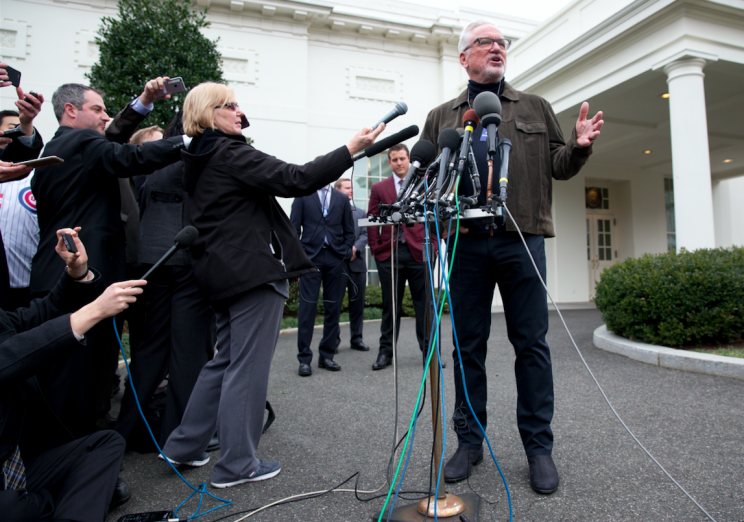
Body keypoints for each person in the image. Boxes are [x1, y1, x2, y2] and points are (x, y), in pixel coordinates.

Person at [160, 82, 383, 488]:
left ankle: (183, 446)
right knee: (245, 369)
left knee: (223, 362)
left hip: (221, 272)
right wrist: (349, 150)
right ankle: (237, 464)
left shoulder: (198, 157)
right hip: (252, 273)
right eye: (232, 106)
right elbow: (296, 179)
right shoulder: (229, 152)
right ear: (212, 114)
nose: (240, 112)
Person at [419, 20, 603, 494]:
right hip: (465, 244)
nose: (497, 48)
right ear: (464, 58)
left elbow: (560, 165)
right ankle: (469, 441)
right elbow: (428, 180)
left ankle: (538, 449)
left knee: (532, 345)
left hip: (520, 239)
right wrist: (439, 230)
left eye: (502, 43)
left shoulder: (536, 107)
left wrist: (580, 147)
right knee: (467, 348)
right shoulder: (442, 115)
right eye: (486, 43)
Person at [27, 78, 189, 448]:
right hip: (83, 278)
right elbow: (131, 156)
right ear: (71, 110)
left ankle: (86, 445)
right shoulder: (83, 143)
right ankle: (76, 458)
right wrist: (190, 140)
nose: (105, 117)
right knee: (81, 376)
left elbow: (112, 139)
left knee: (76, 376)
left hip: (58, 276)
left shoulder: (58, 148)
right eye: (98, 109)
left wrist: (144, 102)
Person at [0, 227, 147, 520]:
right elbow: (8, 357)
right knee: (20, 508)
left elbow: (36, 315)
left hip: (13, 461)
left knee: (104, 444)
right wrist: (92, 312)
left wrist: (77, 274)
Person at [116, 112, 215, 450]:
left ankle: (127, 431)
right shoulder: (201, 154)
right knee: (188, 352)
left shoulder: (157, 153)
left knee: (150, 349)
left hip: (152, 257)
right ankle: (179, 438)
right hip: (186, 259)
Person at [367, 144, 435, 371]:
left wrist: (433, 246)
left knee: (424, 307)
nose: (399, 163)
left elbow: (434, 217)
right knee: (390, 307)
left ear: (409, 159)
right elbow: (371, 219)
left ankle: (429, 354)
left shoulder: (425, 184)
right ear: (389, 162)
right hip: (389, 254)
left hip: (420, 253)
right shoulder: (379, 187)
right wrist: (376, 249)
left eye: (402, 158)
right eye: (394, 159)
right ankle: (385, 353)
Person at [290, 176, 355, 375]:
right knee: (307, 308)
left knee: (333, 308)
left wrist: (343, 252)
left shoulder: (341, 199)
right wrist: (300, 257)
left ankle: (326, 356)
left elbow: (349, 231)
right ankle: (304, 359)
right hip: (311, 258)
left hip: (335, 257)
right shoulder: (302, 196)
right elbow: (293, 229)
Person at [334, 178, 370, 353]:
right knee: (335, 304)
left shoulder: (361, 212)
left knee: (357, 304)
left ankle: (357, 339)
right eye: (347, 188)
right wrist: (344, 252)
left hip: (357, 265)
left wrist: (354, 249)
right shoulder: (331, 213)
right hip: (338, 265)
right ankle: (333, 341)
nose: (351, 191)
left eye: (352, 188)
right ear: (337, 190)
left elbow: (365, 234)